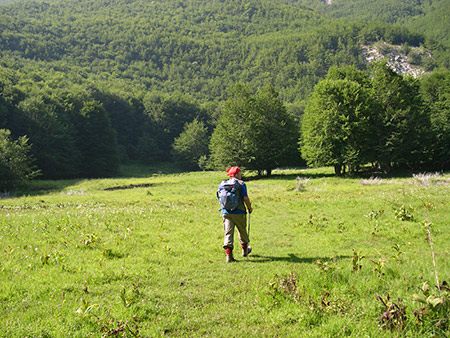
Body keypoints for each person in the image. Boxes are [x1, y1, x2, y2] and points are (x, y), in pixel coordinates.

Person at [218, 166, 253, 263]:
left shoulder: (223, 184)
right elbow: (245, 197)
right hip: (239, 212)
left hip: (226, 212)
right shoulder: (241, 184)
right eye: (240, 173)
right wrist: (249, 208)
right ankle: (245, 251)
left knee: (228, 233)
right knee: (242, 231)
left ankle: (229, 257)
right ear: (237, 174)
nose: (241, 174)